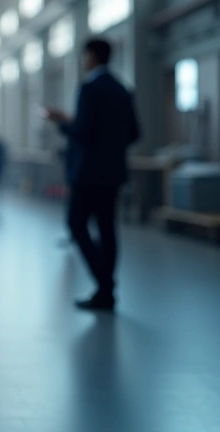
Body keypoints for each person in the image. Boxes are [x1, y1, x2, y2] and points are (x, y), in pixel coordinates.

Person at [41, 38, 140, 312]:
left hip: (87, 173)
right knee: (107, 229)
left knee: (76, 223)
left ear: (92, 57)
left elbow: (82, 132)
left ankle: (104, 282)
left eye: (85, 56)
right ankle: (106, 289)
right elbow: (134, 133)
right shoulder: (122, 89)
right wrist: (111, 147)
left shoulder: (89, 88)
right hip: (113, 172)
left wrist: (62, 122)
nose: (84, 61)